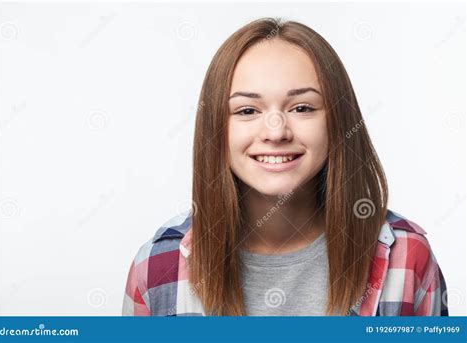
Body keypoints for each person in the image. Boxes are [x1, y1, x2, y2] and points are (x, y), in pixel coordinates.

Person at [122, 17, 448, 316]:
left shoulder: (406, 256)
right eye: (247, 110)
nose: (276, 131)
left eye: (302, 107)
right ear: (215, 128)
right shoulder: (156, 266)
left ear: (337, 121)